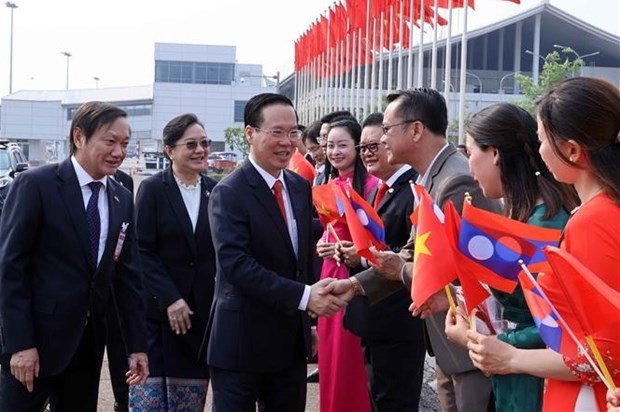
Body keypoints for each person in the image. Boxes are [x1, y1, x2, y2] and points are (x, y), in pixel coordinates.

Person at [328, 88, 501, 412]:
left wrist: (400, 270)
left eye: (388, 130)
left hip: (472, 346)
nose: (383, 139)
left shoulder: (455, 181)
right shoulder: (433, 177)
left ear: (416, 129)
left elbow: (465, 271)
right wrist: (354, 285)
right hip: (449, 343)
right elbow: (412, 251)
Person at [465, 77, 620, 412]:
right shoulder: (595, 212)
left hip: (586, 398)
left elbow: (603, 356)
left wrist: (512, 357)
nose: (539, 152)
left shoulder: (593, 221)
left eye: (541, 140)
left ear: (572, 150)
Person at [0, 101, 149, 411]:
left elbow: (127, 278)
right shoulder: (36, 185)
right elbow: (10, 268)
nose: (119, 152)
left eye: (124, 143)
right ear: (79, 137)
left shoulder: (121, 194)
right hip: (34, 346)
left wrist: (136, 346)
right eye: (110, 141)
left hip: (87, 347)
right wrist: (20, 344)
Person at [206, 93, 346, 412]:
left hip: (288, 344)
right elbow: (236, 266)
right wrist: (305, 297)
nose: (287, 142)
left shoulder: (298, 187)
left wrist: (308, 321)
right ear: (250, 133)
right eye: (277, 132)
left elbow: (299, 256)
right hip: (241, 344)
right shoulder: (228, 193)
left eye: (293, 132)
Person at [443, 102, 579, 412]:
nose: (468, 165)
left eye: (469, 152)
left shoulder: (544, 225)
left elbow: (555, 324)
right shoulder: (527, 216)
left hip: (536, 385)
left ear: (494, 153)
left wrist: (479, 340)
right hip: (518, 379)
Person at [337, 112, 426, 411]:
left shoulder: (414, 191)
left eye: (374, 145)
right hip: (373, 320)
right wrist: (352, 251)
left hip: (398, 322)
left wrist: (362, 261)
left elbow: (410, 254)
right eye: (362, 148)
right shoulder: (378, 189)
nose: (367, 154)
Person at [129, 114, 217, 411]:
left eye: (204, 143)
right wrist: (171, 298)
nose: (200, 150)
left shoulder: (215, 191)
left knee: (189, 399)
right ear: (169, 150)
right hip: (159, 312)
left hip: (200, 313)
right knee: (150, 400)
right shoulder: (153, 189)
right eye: (190, 144)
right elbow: (142, 249)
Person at [316, 117, 377, 412]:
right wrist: (322, 241)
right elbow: (329, 228)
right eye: (330, 145)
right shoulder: (329, 183)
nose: (335, 151)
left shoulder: (373, 186)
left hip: (355, 273)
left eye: (342, 145)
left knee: (349, 353)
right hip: (330, 270)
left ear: (357, 146)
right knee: (329, 354)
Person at [106, 168, 135, 412]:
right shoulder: (45, 184)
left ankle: (123, 401)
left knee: (119, 347)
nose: (117, 151)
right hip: (81, 295)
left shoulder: (124, 183)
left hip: (116, 284)